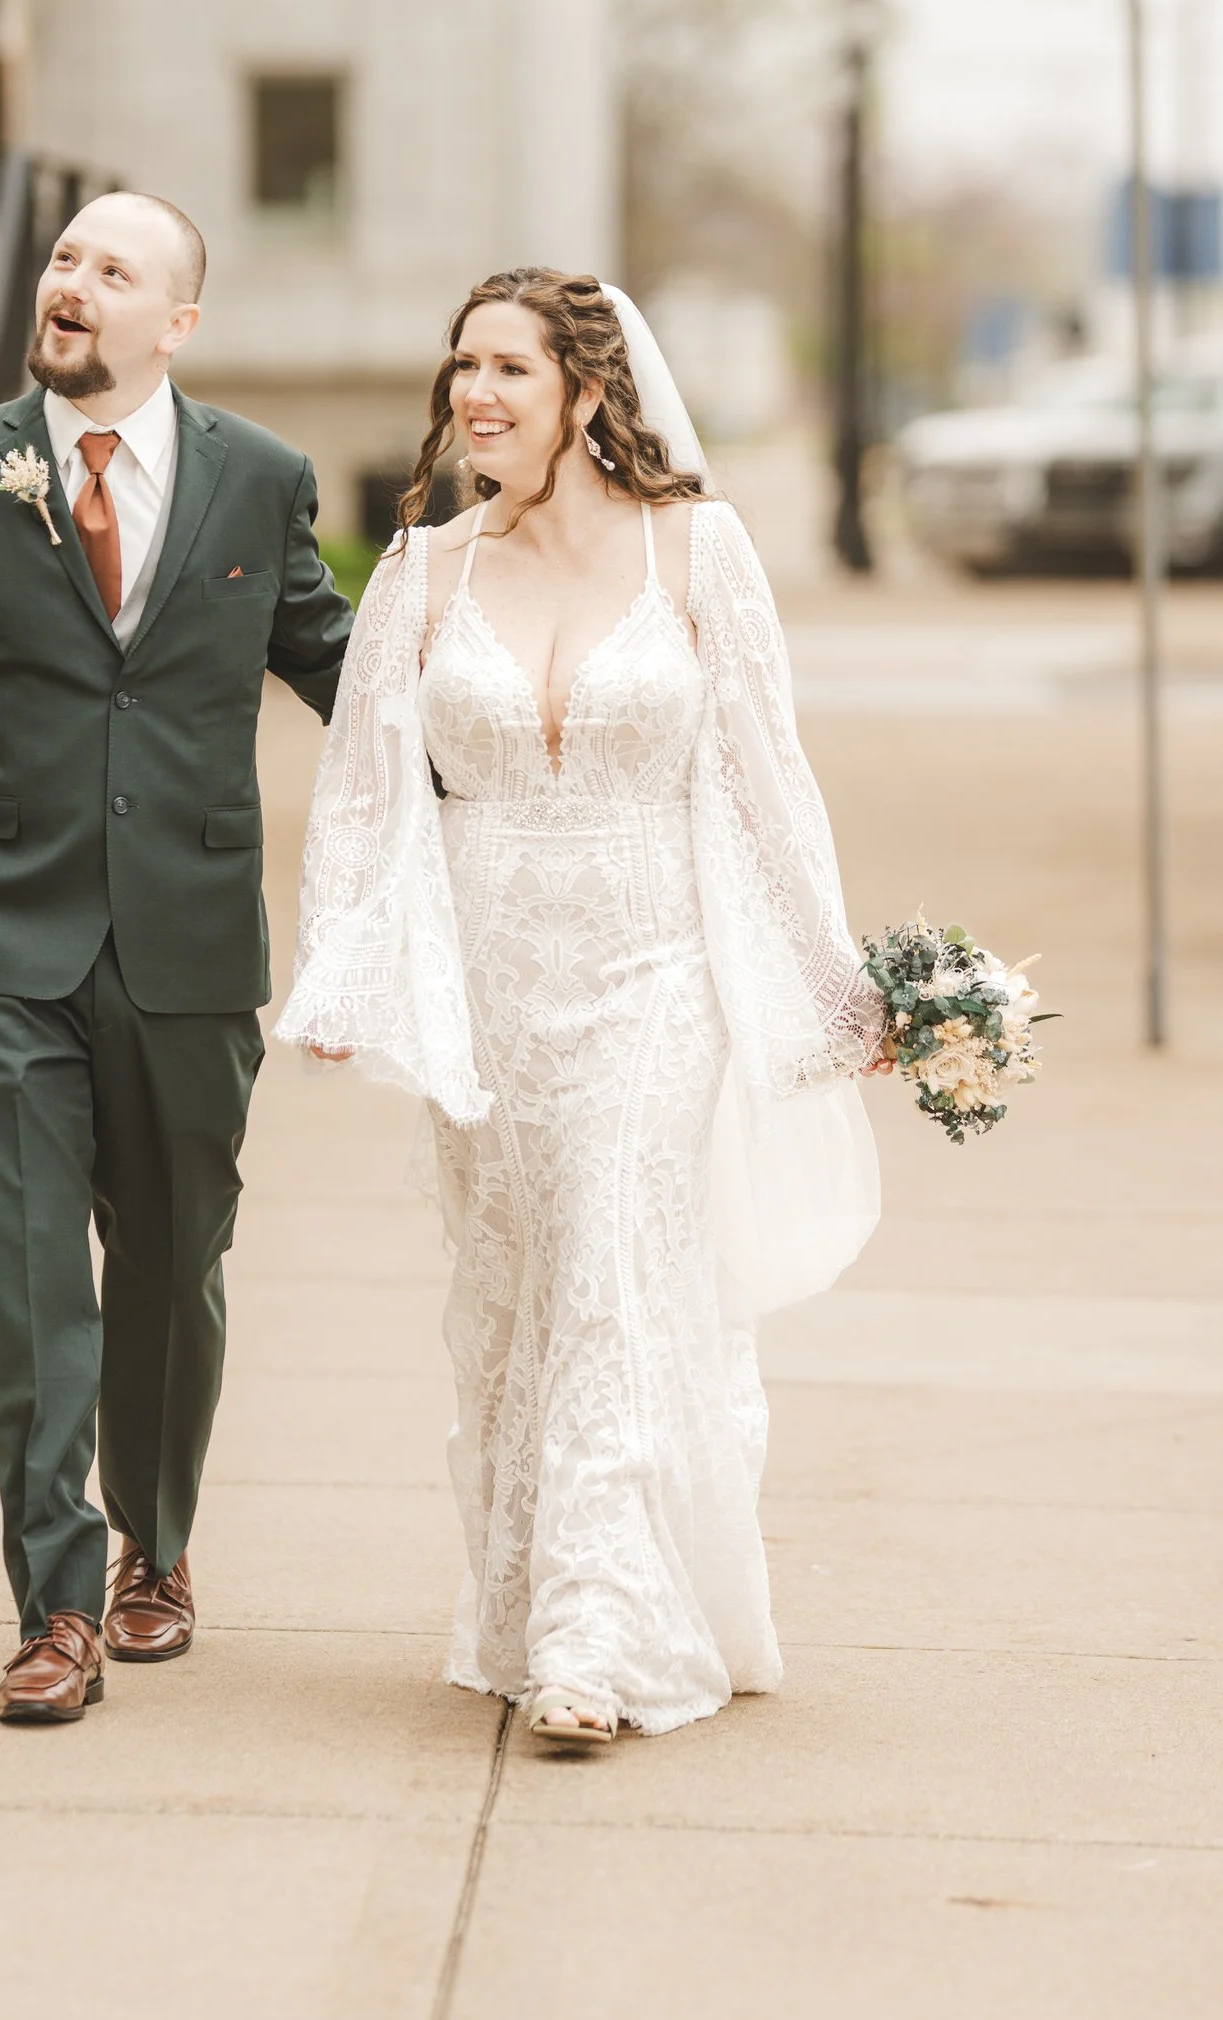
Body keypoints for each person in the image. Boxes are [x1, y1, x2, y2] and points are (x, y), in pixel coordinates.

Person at [278, 269, 883, 1745]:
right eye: (461, 367)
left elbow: (762, 779)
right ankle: (522, 1602)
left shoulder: (698, 553)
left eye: (507, 370)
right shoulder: (420, 577)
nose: (473, 394)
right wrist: (341, 973)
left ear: (587, 395)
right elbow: (357, 802)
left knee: (616, 1270)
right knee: (519, 1301)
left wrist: (831, 979)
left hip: (653, 972)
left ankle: (591, 1645)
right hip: (489, 992)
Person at [0, 191, 354, 1723]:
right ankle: (56, 1601)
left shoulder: (262, 482)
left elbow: (344, 676)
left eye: (114, 269)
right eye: (62, 259)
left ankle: (155, 1548)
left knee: (174, 1261)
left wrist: (509, 728)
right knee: (31, 1283)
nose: (72, 283)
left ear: (178, 322)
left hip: (187, 940)